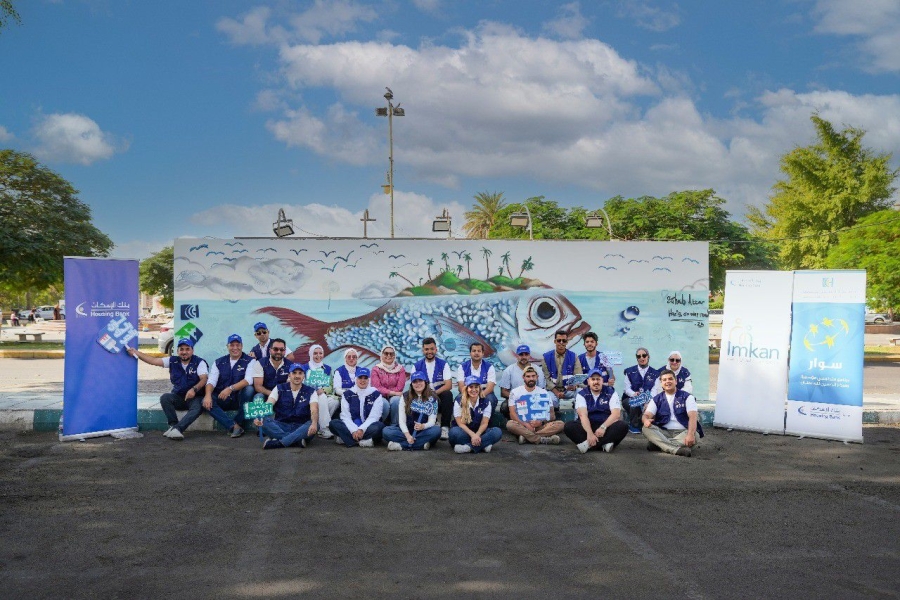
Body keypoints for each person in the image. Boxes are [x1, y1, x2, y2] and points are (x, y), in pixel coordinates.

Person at [127, 338, 208, 440]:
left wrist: (194, 389)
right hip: (179, 397)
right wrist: (136, 353)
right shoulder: (172, 360)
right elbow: (153, 360)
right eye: (181, 349)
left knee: (198, 407)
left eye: (187, 349)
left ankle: (178, 429)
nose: (184, 352)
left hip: (195, 397)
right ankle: (173, 426)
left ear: (192, 350)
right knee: (165, 397)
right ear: (177, 351)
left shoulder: (199, 362)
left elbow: (204, 379)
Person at [564, 368, 629, 454]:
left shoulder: (611, 392)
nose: (596, 382)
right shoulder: (582, 394)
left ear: (602, 380)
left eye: (598, 379)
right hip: (588, 426)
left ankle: (587, 445)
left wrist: (603, 427)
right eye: (593, 379)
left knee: (623, 425)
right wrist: (590, 433)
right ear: (588, 381)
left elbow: (616, 414)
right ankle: (604, 444)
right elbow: (583, 415)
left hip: (605, 426)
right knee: (568, 426)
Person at [204, 333, 257, 438]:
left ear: (242, 346)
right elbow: (211, 381)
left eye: (238, 345)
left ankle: (238, 422)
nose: (235, 348)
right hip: (223, 398)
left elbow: (248, 380)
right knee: (205, 401)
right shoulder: (219, 362)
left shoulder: (250, 361)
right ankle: (234, 426)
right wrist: (208, 395)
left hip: (239, 399)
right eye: (232, 345)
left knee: (249, 389)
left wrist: (230, 388)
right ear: (227, 346)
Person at [256, 363, 319, 450]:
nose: (297, 376)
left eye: (300, 373)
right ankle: (296, 441)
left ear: (304, 375)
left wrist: (314, 423)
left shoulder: (311, 391)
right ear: (289, 375)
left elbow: (314, 409)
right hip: (281, 426)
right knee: (262, 420)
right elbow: (269, 404)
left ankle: (279, 442)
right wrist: (259, 417)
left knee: (315, 424)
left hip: (300, 426)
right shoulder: (279, 388)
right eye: (294, 373)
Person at [642, 368, 702, 457]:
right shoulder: (656, 399)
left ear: (676, 381)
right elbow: (646, 415)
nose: (667, 381)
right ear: (661, 383)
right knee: (646, 428)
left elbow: (693, 417)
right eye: (664, 380)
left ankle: (659, 445)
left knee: (695, 435)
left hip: (682, 432)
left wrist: (690, 434)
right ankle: (676, 450)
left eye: (670, 379)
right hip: (663, 432)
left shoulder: (687, 397)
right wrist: (645, 420)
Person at [383, 371, 441, 451]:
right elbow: (402, 421)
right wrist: (407, 435)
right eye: (415, 382)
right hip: (406, 430)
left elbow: (432, 421)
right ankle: (420, 445)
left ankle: (401, 446)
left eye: (420, 381)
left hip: (423, 431)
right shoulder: (405, 396)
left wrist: (423, 426)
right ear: (411, 384)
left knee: (436, 431)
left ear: (425, 382)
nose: (418, 384)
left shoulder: (433, 398)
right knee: (386, 431)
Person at [329, 367, 386, 447]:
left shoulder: (376, 394)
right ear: (356, 379)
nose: (363, 380)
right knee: (333, 423)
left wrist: (361, 429)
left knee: (379, 427)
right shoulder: (347, 394)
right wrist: (353, 430)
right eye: (360, 378)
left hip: (368, 427)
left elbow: (374, 416)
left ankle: (347, 439)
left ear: (369, 380)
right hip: (352, 425)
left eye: (365, 378)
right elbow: (345, 416)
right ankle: (364, 440)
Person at [505, 365, 562, 445]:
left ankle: (527, 437)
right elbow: (512, 414)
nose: (531, 378)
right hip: (523, 426)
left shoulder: (544, 392)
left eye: (533, 376)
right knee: (510, 424)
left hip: (541, 426)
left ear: (537, 377)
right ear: (523, 377)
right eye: (528, 376)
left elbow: (552, 415)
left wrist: (541, 422)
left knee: (560, 424)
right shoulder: (515, 392)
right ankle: (542, 439)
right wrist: (526, 424)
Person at [412, 337, 454, 440]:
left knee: (448, 394)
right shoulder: (416, 366)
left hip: (438, 397)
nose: (429, 351)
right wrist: (426, 395)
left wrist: (434, 393)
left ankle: (445, 427)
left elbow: (449, 385)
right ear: (423, 350)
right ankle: (432, 423)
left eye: (432, 349)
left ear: (436, 349)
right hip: (423, 398)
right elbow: (413, 386)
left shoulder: (443, 364)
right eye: (427, 349)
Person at [450, 375, 503, 454]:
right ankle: (483, 445)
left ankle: (468, 447)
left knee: (497, 432)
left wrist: (477, 435)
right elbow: (460, 423)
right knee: (454, 432)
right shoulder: (459, 401)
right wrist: (472, 435)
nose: (474, 390)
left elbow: (484, 423)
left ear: (480, 388)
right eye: (471, 387)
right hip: (464, 432)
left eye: (476, 387)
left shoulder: (486, 402)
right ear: (466, 388)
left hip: (480, 433)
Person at [455, 342, 498, 423]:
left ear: (483, 353)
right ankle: (464, 423)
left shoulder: (489, 367)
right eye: (474, 351)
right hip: (467, 392)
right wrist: (470, 395)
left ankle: (486, 424)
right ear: (470, 353)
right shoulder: (462, 367)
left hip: (484, 393)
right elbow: (461, 387)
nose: (476, 353)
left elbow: (490, 387)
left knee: (491, 399)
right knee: (459, 398)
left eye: (479, 351)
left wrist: (478, 396)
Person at [303, 344, 340, 437]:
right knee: (322, 397)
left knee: (334, 401)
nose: (318, 356)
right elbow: (302, 384)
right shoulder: (304, 368)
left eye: (320, 353)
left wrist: (323, 389)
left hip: (322, 394)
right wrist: (314, 390)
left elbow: (330, 385)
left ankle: (318, 425)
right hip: (309, 396)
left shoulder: (327, 368)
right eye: (315, 353)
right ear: (311, 354)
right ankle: (325, 428)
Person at [622, 347, 660, 433]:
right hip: (630, 398)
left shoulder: (655, 373)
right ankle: (634, 426)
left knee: (652, 405)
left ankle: (645, 424)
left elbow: (655, 390)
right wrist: (634, 394)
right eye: (639, 356)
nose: (641, 358)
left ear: (648, 356)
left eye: (644, 355)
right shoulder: (629, 371)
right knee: (635, 402)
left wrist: (648, 400)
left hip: (648, 399)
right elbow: (626, 388)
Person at [543, 329, 582, 405]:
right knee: (550, 399)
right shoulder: (546, 357)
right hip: (553, 391)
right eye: (559, 340)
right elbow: (546, 379)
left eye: (564, 341)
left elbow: (578, 376)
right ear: (555, 341)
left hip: (569, 391)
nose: (561, 343)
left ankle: (578, 413)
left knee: (580, 393)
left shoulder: (574, 356)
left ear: (567, 342)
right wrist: (556, 392)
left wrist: (574, 386)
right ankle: (553, 413)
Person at [372, 345, 407, 424]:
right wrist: (392, 392)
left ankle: (394, 425)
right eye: (386, 353)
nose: (389, 355)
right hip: (380, 396)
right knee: (384, 403)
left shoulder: (400, 369)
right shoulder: (376, 369)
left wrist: (389, 393)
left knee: (396, 401)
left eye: (391, 354)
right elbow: (377, 387)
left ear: (394, 356)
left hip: (394, 396)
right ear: (382, 355)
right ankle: (381, 424)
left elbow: (400, 388)